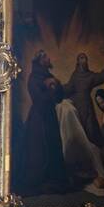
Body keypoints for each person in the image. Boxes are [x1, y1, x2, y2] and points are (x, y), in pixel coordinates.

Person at [17, 50, 69, 195]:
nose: (48, 58)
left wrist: (55, 85)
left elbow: (59, 98)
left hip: (50, 117)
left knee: (53, 144)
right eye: (45, 57)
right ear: (40, 60)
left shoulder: (49, 77)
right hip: (38, 119)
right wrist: (50, 87)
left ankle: (54, 180)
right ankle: (38, 181)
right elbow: (39, 100)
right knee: (39, 148)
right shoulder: (34, 78)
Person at [63, 52, 104, 147]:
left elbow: (99, 77)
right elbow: (69, 87)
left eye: (85, 58)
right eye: (81, 58)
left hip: (87, 105)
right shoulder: (75, 75)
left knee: (91, 130)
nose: (84, 60)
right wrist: (59, 88)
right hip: (77, 104)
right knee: (79, 128)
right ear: (78, 61)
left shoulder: (90, 75)